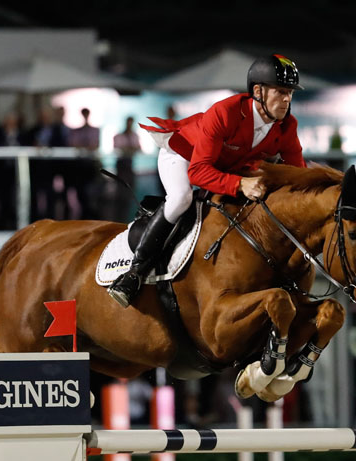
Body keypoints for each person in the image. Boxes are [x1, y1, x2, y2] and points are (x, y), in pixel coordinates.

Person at [108, 54, 306, 307]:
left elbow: (298, 174)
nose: (287, 99)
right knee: (181, 198)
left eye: (290, 93)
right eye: (280, 92)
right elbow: (199, 172)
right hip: (184, 155)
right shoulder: (226, 112)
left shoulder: (287, 126)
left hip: (225, 166)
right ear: (258, 91)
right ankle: (134, 273)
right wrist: (240, 184)